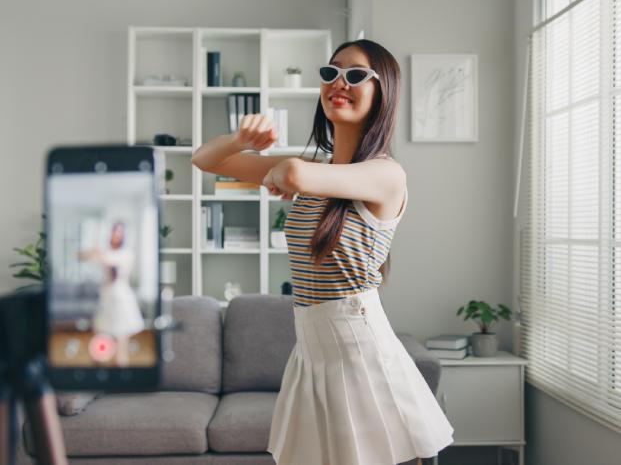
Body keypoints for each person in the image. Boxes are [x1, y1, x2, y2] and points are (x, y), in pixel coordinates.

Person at [192, 39, 454, 465]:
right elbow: (205, 160)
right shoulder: (320, 171)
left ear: (381, 91)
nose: (339, 83)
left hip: (358, 349)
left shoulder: (386, 174)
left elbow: (293, 172)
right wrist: (240, 139)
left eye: (355, 75)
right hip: (312, 349)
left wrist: (286, 173)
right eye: (331, 72)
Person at [79, 220, 145, 367]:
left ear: (123, 235)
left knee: (121, 348)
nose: (116, 234)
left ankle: (121, 380)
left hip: (122, 300)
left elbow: (107, 259)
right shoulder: (107, 251)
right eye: (114, 231)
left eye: (119, 231)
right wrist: (94, 251)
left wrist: (98, 252)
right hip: (107, 299)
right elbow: (83, 256)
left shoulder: (126, 253)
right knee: (99, 345)